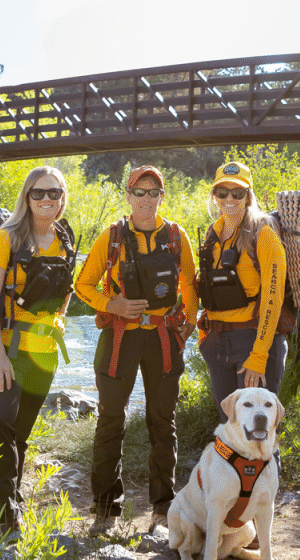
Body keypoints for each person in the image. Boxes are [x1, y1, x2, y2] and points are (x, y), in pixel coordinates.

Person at [74, 165, 198, 535]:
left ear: (162, 197)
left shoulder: (176, 236)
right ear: (127, 196)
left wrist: (186, 328)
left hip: (162, 339)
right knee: (111, 420)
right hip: (119, 338)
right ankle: (105, 510)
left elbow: (190, 284)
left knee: (163, 422)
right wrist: (113, 306)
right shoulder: (111, 236)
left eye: (153, 192)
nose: (146, 199)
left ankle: (163, 509)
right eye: (139, 192)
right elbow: (83, 285)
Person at [0, 166, 76, 538]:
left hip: (43, 354)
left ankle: (13, 505)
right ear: (26, 197)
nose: (46, 199)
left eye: (54, 193)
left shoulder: (64, 240)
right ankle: (6, 518)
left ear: (62, 197)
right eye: (38, 193)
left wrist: (60, 322)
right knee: (1, 425)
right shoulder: (6, 239)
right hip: (5, 351)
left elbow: (65, 293)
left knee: (20, 434)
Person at [197, 161, 288, 417]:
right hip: (218, 342)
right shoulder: (212, 233)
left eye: (237, 192)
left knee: (257, 432)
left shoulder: (264, 234)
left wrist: (259, 355)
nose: (229, 198)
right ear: (214, 196)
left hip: (253, 340)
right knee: (231, 428)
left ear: (248, 196)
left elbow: (273, 298)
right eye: (222, 192)